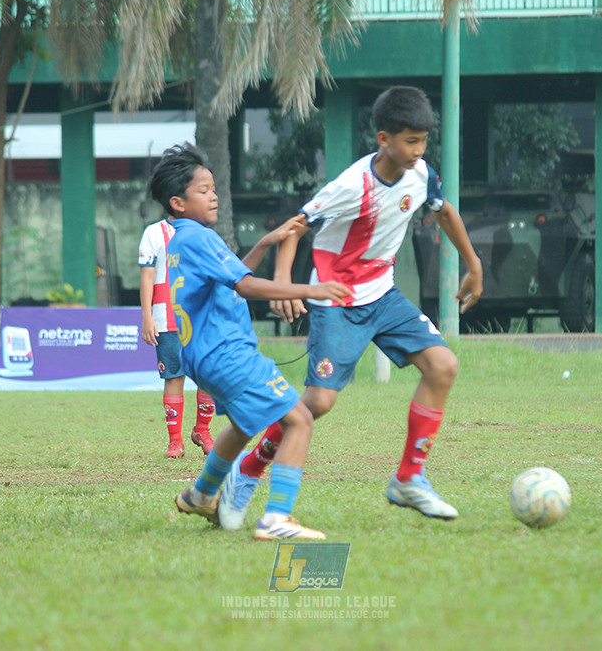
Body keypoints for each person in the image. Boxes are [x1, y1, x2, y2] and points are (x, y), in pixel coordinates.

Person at [216, 86, 484, 531]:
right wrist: (284, 283)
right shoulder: (351, 185)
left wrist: (473, 265)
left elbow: (444, 211)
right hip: (337, 300)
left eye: (423, 141)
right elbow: (294, 228)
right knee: (318, 402)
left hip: (383, 295)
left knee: (443, 366)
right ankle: (248, 469)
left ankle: (409, 477)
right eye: (411, 141)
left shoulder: (420, 175)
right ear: (384, 139)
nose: (419, 150)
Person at [149, 142, 352, 540]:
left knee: (242, 425)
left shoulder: (180, 241)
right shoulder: (200, 238)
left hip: (203, 359)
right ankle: (276, 518)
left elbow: (230, 281)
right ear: (178, 202)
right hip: (229, 355)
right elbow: (245, 285)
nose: (213, 196)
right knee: (299, 419)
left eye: (213, 189)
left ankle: (201, 494)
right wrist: (309, 290)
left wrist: (263, 243)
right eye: (203, 190)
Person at [139, 216, 216, 458]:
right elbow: (147, 276)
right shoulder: (153, 233)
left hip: (200, 316)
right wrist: (147, 316)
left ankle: (202, 430)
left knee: (207, 376)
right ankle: (175, 442)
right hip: (166, 316)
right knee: (173, 377)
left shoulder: (203, 232)